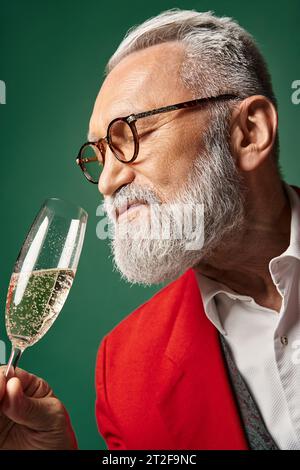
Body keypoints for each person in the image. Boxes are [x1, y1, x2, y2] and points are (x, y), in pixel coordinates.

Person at [1, 9, 299, 450]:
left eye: (130, 133)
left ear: (248, 132)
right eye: (100, 154)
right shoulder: (123, 371)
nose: (106, 181)